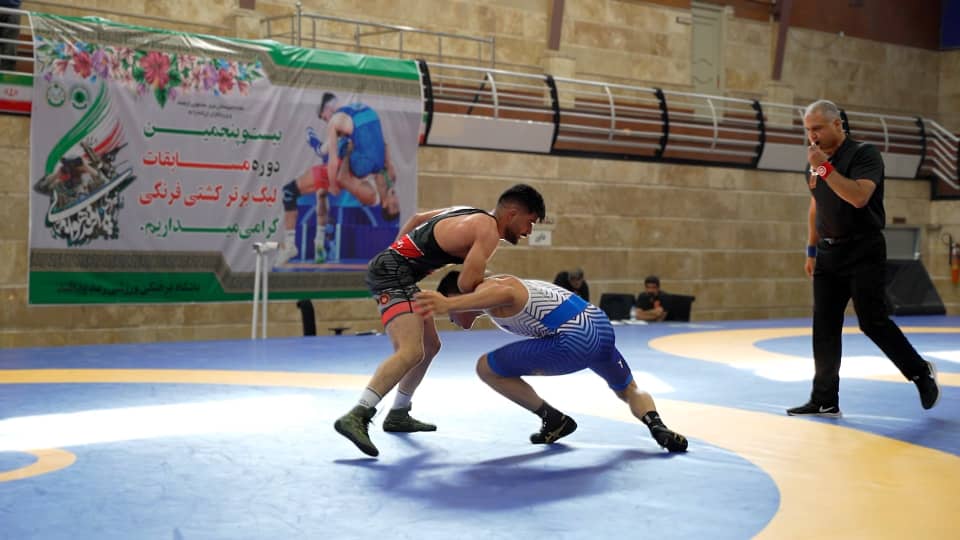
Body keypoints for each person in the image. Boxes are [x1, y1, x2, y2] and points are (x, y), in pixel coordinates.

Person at [333, 184, 546, 457]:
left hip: (396, 272)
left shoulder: (466, 211)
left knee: (430, 346)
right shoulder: (489, 231)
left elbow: (416, 219)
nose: (528, 232)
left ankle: (398, 412)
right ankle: (358, 414)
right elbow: (466, 283)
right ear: (513, 213)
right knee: (411, 351)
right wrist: (493, 290)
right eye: (530, 222)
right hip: (394, 275)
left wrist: (394, 253)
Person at [413, 271, 688, 452]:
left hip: (576, 338)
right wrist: (455, 304)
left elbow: (506, 293)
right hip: (600, 326)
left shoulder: (493, 288)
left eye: (448, 313)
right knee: (628, 389)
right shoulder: (497, 291)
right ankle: (657, 425)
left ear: (457, 296)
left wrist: (451, 304)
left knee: (486, 368)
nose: (451, 319)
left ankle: (553, 419)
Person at [787, 99, 940, 417]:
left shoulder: (863, 154)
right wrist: (811, 249)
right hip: (828, 253)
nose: (812, 135)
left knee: (872, 321)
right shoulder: (815, 163)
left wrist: (824, 167)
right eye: (808, 129)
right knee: (824, 326)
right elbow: (816, 206)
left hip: (863, 249)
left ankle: (919, 372)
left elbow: (858, 197)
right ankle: (824, 399)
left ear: (837, 124)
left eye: (817, 128)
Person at [0, 1, 21, 72]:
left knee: (10, 46)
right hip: (13, 7)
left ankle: (8, 73)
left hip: (13, 8)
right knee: (10, 45)